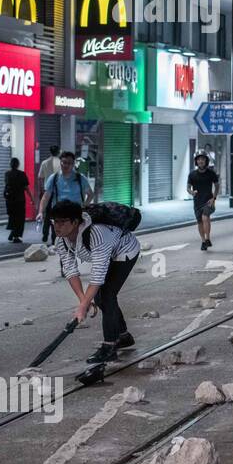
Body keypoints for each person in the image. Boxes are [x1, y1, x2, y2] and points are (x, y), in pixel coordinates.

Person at [48, 199, 141, 365]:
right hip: (109, 255)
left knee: (106, 295)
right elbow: (70, 270)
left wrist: (83, 307)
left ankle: (110, 346)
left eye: (62, 222)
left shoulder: (97, 233)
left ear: (76, 221)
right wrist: (83, 301)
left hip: (125, 251)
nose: (57, 226)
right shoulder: (61, 240)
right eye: (55, 221)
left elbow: (98, 275)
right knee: (99, 298)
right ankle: (123, 336)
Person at [38, 151, 94, 241]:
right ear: (60, 162)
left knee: (77, 240)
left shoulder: (80, 178)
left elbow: (90, 194)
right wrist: (40, 212)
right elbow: (45, 197)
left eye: (69, 163)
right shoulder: (54, 178)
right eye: (64, 162)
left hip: (75, 215)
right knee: (58, 242)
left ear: (73, 164)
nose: (66, 165)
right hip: (59, 215)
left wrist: (85, 205)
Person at [187, 153, 219, 251]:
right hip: (197, 202)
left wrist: (214, 198)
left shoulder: (211, 173)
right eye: (199, 159)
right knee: (200, 222)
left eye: (203, 159)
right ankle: (203, 241)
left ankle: (207, 238)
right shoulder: (192, 174)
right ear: (196, 161)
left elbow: (217, 186)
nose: (200, 161)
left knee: (205, 217)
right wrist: (192, 192)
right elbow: (188, 188)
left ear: (206, 161)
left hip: (208, 201)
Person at [37, 146, 60, 244]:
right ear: (58, 152)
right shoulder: (61, 163)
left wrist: (41, 190)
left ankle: (45, 234)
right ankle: (54, 236)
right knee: (56, 215)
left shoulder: (44, 163)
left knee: (47, 215)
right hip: (58, 192)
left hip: (47, 191)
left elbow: (40, 177)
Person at [3, 158, 30, 243]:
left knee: (12, 217)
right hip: (19, 200)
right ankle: (16, 236)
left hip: (10, 200)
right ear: (18, 164)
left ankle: (13, 233)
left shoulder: (7, 174)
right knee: (20, 218)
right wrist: (32, 198)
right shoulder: (22, 174)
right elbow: (26, 188)